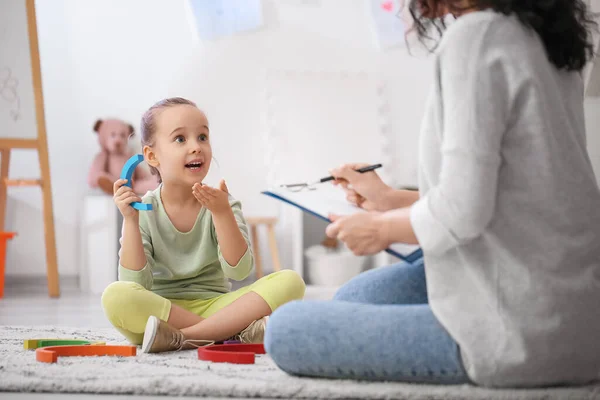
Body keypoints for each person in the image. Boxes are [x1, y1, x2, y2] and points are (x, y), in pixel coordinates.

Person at [264, 0, 600, 388]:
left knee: (287, 327)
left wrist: (381, 229)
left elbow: (463, 211)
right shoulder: (550, 41)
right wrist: (390, 201)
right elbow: (507, 198)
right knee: (359, 294)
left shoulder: (477, 36)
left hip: (521, 333)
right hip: (580, 318)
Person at [101, 97, 305, 353]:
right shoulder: (142, 210)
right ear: (151, 156)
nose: (196, 147)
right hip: (162, 310)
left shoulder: (223, 204)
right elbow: (135, 283)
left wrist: (221, 214)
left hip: (218, 305)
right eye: (180, 139)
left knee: (291, 281)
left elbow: (239, 271)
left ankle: (184, 338)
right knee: (116, 296)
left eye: (203, 137)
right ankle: (229, 334)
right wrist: (130, 221)